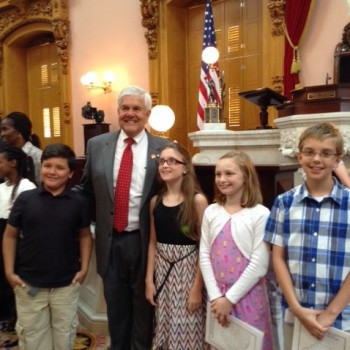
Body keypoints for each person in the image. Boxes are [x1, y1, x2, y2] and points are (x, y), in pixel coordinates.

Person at [76, 85, 170, 350]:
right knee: (116, 311)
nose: (130, 114)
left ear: (147, 114)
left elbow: (176, 191)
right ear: (118, 111)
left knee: (144, 310)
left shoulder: (163, 149)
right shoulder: (97, 145)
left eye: (136, 109)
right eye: (125, 108)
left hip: (146, 244)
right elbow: (85, 190)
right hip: (110, 243)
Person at [264, 122, 350, 349]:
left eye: (326, 153)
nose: (316, 159)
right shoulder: (284, 203)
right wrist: (297, 309)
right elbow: (278, 259)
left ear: (337, 159)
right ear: (299, 156)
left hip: (342, 318)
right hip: (296, 313)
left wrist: (331, 313)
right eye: (310, 152)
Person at [2, 143, 92, 350]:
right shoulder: (25, 199)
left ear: (70, 173)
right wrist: (9, 271)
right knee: (33, 338)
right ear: (40, 167)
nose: (52, 172)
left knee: (64, 336)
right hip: (28, 284)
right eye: (47, 166)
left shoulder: (78, 202)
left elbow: (85, 236)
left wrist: (84, 268)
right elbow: (10, 235)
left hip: (66, 284)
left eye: (60, 168)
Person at [200, 150, 273, 350]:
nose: (222, 179)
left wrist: (230, 299)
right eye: (218, 174)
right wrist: (216, 297)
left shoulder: (259, 214)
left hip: (247, 295)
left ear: (245, 177)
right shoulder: (211, 212)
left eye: (229, 173)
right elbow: (204, 255)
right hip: (218, 297)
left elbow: (259, 264)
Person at [145, 142, 208, 349]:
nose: (165, 165)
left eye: (172, 161)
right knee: (165, 327)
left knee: (188, 330)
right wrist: (149, 280)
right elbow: (153, 243)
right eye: (162, 161)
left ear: (185, 168)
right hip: (163, 274)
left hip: (188, 275)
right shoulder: (156, 201)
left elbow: (204, 248)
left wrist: (197, 288)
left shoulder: (197, 201)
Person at [0, 146, 36, 333]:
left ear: (13, 163)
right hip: (2, 237)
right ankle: (6, 314)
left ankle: (17, 317)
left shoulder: (26, 187)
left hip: (18, 241)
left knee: (17, 280)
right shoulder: (1, 188)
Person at [0, 111, 42, 184]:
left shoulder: (37, 156)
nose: (2, 134)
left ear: (19, 132)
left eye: (5, 129)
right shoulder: (6, 155)